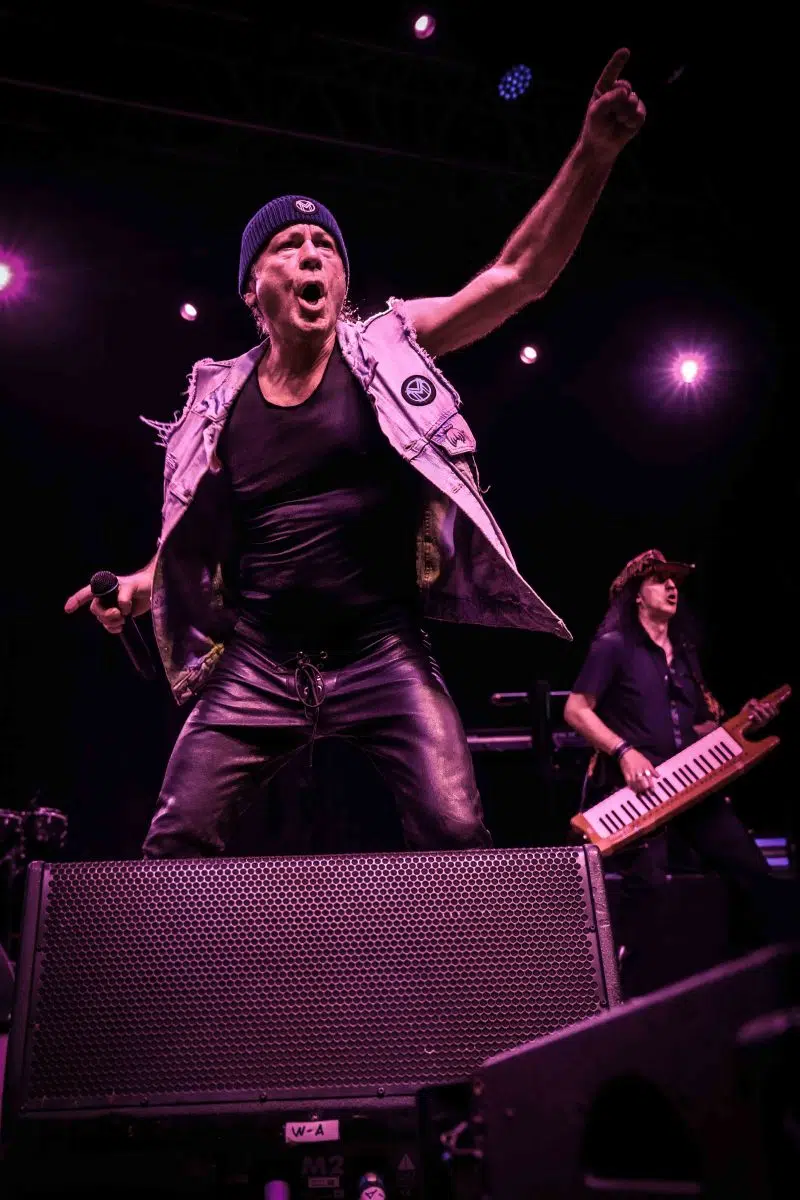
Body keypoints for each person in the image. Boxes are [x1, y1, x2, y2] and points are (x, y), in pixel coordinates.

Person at [65, 50, 647, 859]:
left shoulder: (388, 348)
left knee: (456, 829)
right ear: (252, 289)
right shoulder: (216, 402)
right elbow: (194, 535)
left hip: (383, 649)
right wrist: (137, 588)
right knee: (177, 838)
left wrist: (594, 152)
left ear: (341, 281)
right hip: (259, 659)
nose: (312, 255)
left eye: (325, 246)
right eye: (288, 245)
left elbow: (517, 276)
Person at [563, 549, 784, 997]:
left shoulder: (683, 654)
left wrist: (743, 722)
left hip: (690, 785)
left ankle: (758, 984)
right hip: (639, 792)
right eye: (659, 579)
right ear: (636, 595)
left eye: (675, 581)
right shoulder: (613, 647)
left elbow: (699, 725)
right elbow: (576, 709)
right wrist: (624, 751)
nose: (671, 586)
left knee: (752, 873)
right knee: (649, 891)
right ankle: (626, 1001)